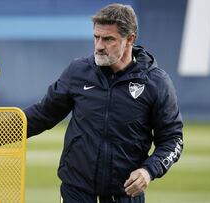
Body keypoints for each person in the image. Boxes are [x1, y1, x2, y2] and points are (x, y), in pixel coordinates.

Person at [24, 3, 183, 203]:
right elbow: (42, 115)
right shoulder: (78, 71)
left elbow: (173, 139)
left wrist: (148, 170)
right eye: (96, 37)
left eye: (108, 39)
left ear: (130, 39)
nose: (99, 46)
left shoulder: (156, 82)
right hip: (76, 191)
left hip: (125, 194)